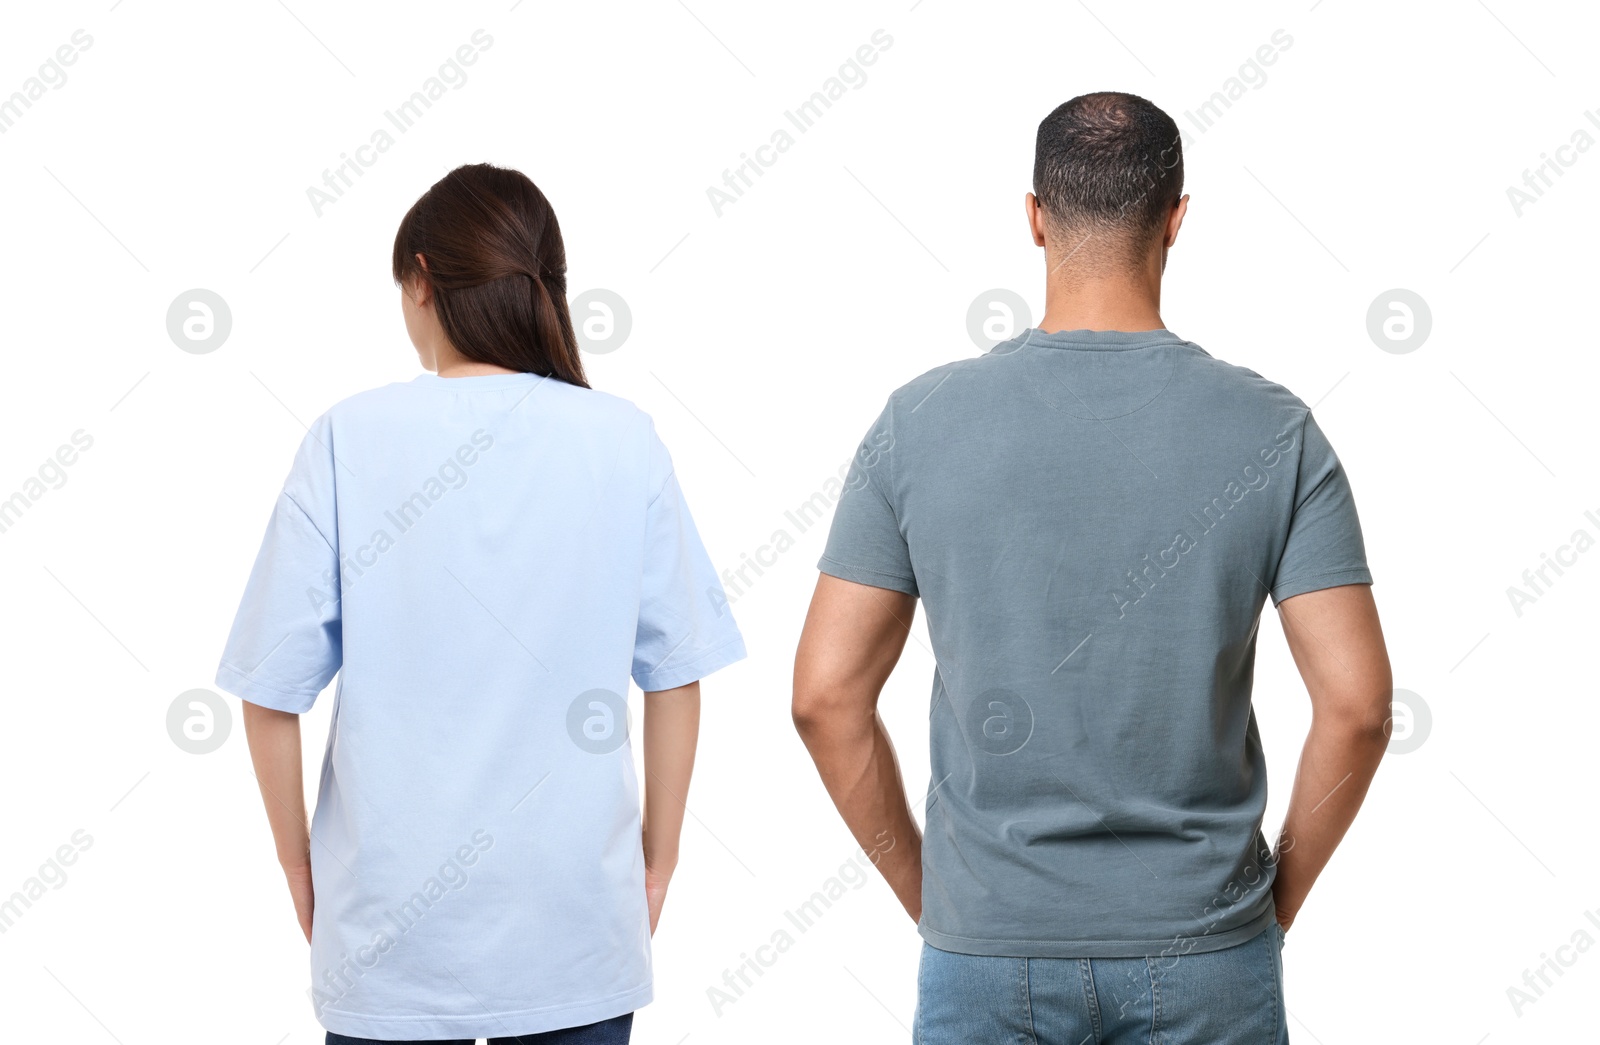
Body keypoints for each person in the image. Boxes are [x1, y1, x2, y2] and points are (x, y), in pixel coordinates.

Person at [791, 92, 1391, 1043]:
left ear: (1032, 215)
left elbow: (825, 697)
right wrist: (1271, 907)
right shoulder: (1275, 432)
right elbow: (1357, 709)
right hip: (1206, 954)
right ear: (1178, 218)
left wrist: (940, 899)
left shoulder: (917, 425)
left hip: (986, 946)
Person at [215, 163, 746, 1043]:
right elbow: (678, 675)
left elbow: (269, 689)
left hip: (386, 934)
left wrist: (297, 864)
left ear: (421, 279)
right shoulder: (623, 440)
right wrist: (659, 859)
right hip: (577, 927)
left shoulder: (349, 436)